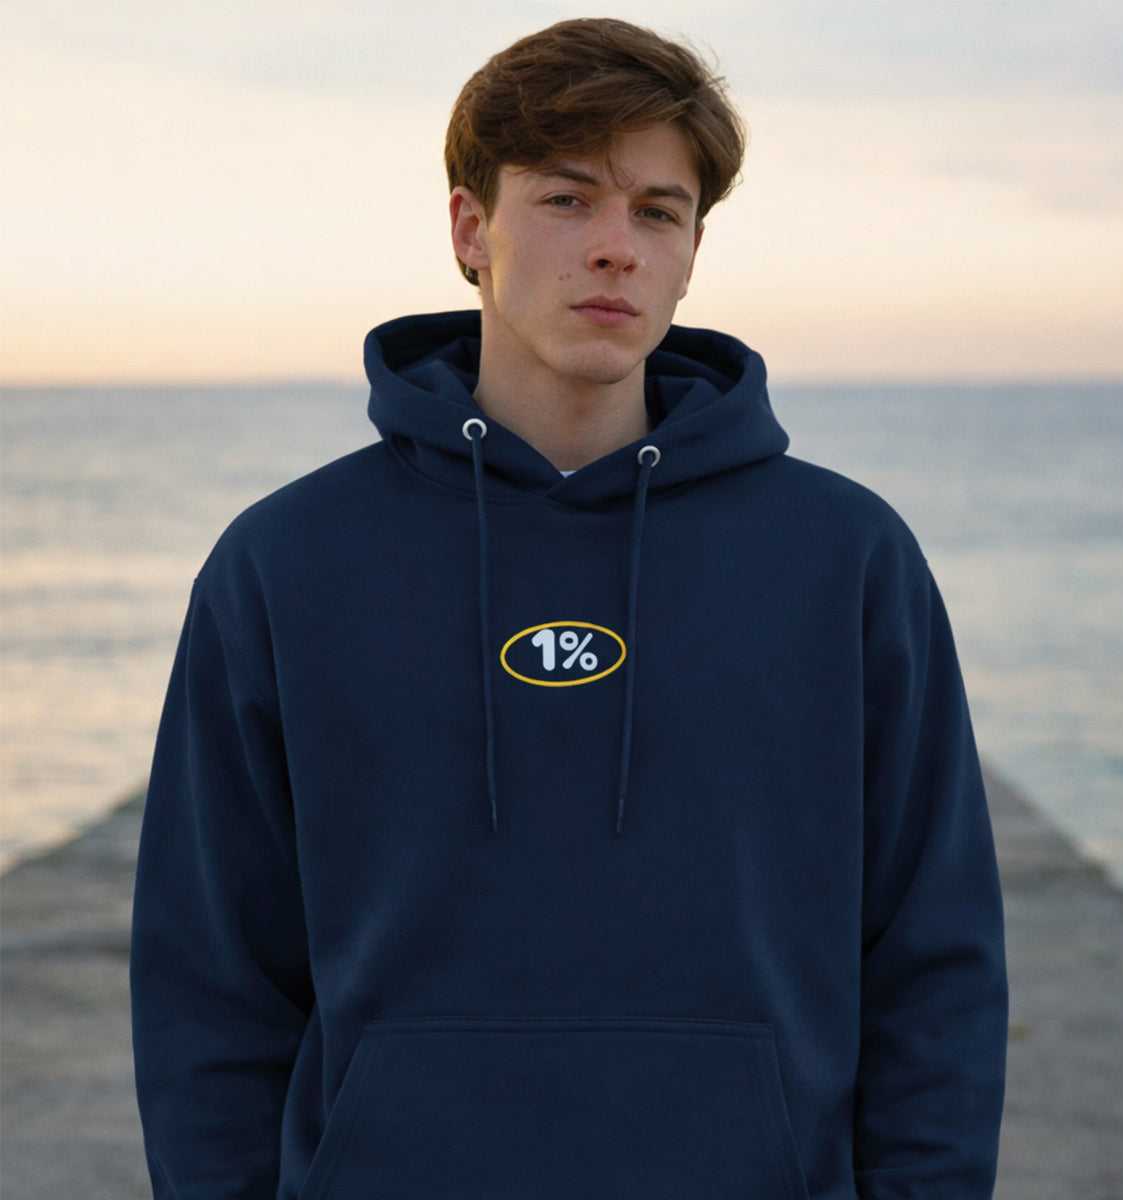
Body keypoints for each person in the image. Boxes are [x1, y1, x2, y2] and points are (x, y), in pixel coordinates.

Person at [131, 17, 1007, 1199]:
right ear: (469, 231)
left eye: (658, 210)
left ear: (694, 251)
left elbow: (934, 958)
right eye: (565, 200)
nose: (616, 248)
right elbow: (210, 976)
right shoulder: (286, 562)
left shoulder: (843, 557)